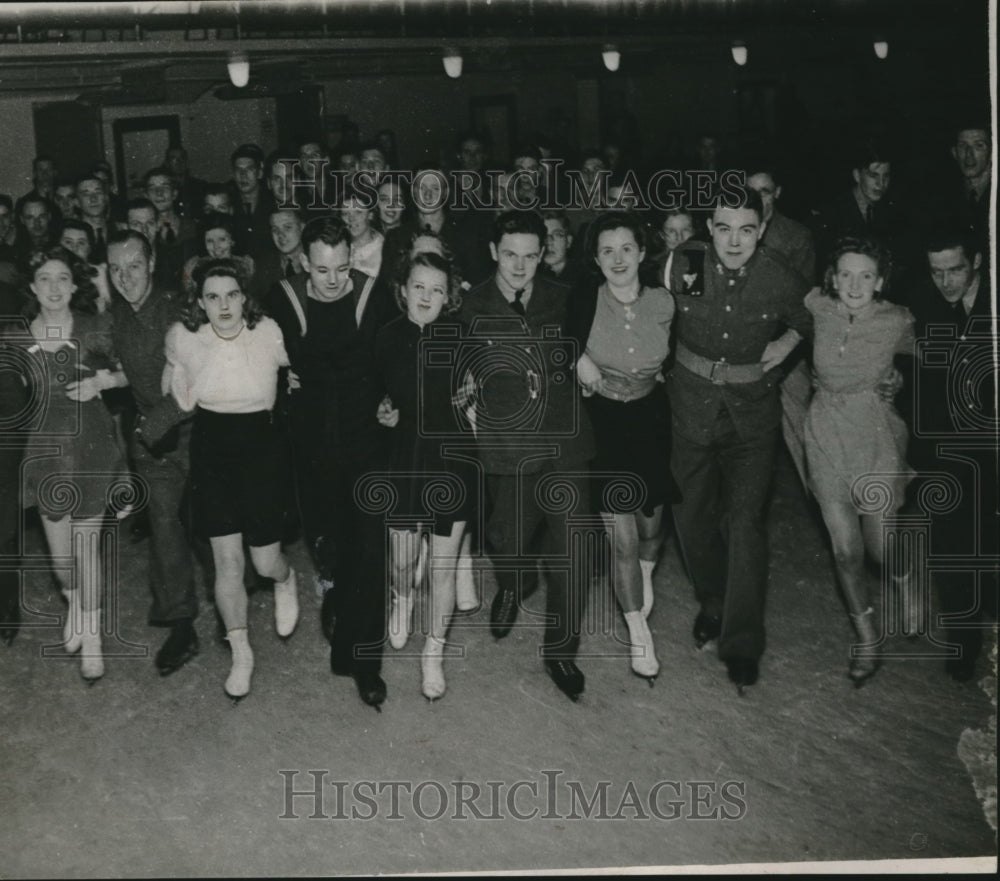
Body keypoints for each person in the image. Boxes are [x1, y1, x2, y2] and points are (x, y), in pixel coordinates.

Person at [666, 186, 812, 692]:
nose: (734, 240)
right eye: (724, 228)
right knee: (689, 515)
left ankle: (743, 641)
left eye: (746, 229)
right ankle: (714, 602)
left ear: (762, 230)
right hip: (691, 408)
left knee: (746, 523)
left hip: (753, 416)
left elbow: (811, 313)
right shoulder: (683, 261)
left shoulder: (780, 275)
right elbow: (634, 295)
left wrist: (790, 339)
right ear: (709, 227)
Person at [459, 210, 596, 702]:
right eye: (510, 255)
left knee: (573, 552)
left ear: (545, 254)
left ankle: (561, 651)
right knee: (507, 538)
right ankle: (516, 583)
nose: (520, 267)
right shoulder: (470, 304)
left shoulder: (565, 299)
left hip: (564, 442)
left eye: (531, 256)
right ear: (494, 252)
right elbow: (448, 368)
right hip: (507, 447)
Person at [263, 216, 396, 708]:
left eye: (342, 267)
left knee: (369, 545)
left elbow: (395, 356)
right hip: (312, 441)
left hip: (365, 438)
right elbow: (261, 357)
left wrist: (395, 400)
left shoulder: (372, 294)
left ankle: (365, 661)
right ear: (304, 263)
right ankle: (335, 590)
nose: (334, 280)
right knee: (329, 540)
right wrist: (283, 389)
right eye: (322, 270)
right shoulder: (283, 298)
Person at [163, 258, 298, 700]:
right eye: (213, 297)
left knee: (263, 562)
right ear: (199, 302)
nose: (224, 305)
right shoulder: (184, 338)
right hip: (213, 449)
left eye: (232, 294)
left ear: (246, 296)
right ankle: (242, 653)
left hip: (261, 448)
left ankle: (285, 579)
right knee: (227, 563)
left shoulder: (269, 333)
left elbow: (303, 367)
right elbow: (176, 392)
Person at [7, 246, 128, 681]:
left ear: (75, 285)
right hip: (45, 452)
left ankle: (92, 635)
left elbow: (128, 371)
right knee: (61, 562)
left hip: (91, 444)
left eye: (62, 278)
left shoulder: (95, 328)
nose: (54, 287)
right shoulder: (17, 337)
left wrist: (101, 380)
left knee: (85, 548)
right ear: (32, 286)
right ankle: (75, 602)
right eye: (45, 279)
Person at [570, 212, 678, 683]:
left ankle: (645, 575)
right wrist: (578, 360)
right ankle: (639, 633)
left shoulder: (665, 302)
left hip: (650, 419)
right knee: (623, 538)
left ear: (641, 252)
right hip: (604, 423)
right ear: (596, 258)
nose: (618, 259)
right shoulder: (584, 301)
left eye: (626, 249)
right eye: (607, 251)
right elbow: (552, 338)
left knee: (652, 526)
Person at [804, 237, 915, 686]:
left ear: (880, 281)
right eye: (845, 274)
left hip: (874, 435)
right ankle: (866, 638)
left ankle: (905, 579)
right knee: (846, 551)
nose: (854, 284)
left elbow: (922, 363)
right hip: (825, 433)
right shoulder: (817, 306)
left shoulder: (898, 319)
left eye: (865, 275)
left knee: (879, 548)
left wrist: (901, 377)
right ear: (832, 278)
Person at [374, 250, 475, 700]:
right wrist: (379, 408)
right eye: (419, 286)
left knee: (442, 566)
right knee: (400, 558)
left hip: (451, 458)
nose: (427, 296)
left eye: (437, 289)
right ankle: (401, 597)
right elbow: (373, 396)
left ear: (448, 296)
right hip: (402, 456)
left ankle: (432, 653)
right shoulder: (385, 336)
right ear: (402, 290)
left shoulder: (461, 336)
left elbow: (484, 389)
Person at [902, 230, 997, 681]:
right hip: (950, 448)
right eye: (936, 271)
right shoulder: (927, 302)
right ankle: (964, 639)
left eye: (955, 269)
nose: (946, 281)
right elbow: (920, 372)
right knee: (950, 543)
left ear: (977, 260)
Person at [106, 229, 200, 676]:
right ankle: (181, 624)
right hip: (152, 441)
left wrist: (153, 424)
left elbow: (196, 381)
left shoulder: (179, 309)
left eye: (134, 267)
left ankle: (233, 613)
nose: (125, 279)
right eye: (115, 270)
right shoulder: (117, 316)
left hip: (198, 433)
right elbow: (115, 363)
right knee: (164, 529)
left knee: (211, 526)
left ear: (153, 261)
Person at [229, 144, 276, 255]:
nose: (243, 175)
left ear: (259, 173)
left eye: (249, 169)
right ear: (233, 175)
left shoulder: (273, 202)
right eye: (238, 170)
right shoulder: (229, 203)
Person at [58, 219, 112, 312]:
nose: (74, 249)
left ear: (90, 248)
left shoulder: (98, 275)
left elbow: (108, 315)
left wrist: (102, 286)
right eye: (68, 242)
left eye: (81, 243)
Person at [539, 210, 587, 290]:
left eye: (557, 234)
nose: (549, 241)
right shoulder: (532, 275)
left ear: (568, 241)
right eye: (544, 235)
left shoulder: (584, 279)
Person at [342, 190, 384, 278]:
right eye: (346, 214)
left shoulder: (383, 249)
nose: (351, 219)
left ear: (370, 215)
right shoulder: (340, 247)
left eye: (358, 212)